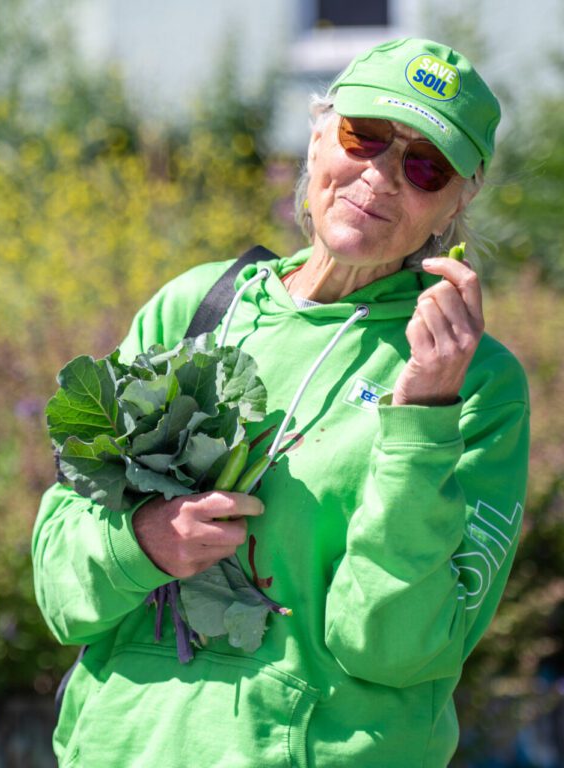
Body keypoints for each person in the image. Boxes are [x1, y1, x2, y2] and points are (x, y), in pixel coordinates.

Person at [32, 37, 530, 767]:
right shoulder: (195, 309)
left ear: (460, 197)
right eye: (366, 137)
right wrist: (141, 542)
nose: (381, 177)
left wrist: (422, 418)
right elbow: (60, 587)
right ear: (318, 133)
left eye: (424, 166)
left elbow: (393, 648)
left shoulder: (475, 384)